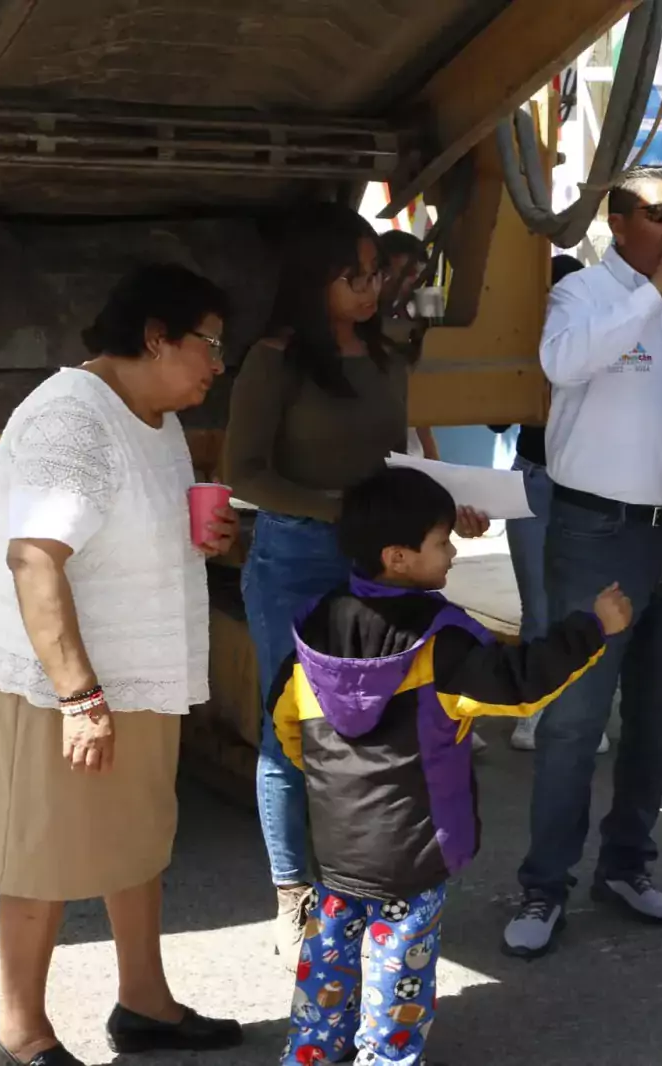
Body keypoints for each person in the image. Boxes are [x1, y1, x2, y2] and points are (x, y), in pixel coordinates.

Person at [0, 264, 243, 1066]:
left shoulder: (155, 413)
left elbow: (119, 530)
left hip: (138, 675)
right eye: (209, 345)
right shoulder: (71, 420)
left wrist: (201, 538)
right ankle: (19, 1034)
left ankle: (143, 1002)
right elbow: (35, 559)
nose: (219, 364)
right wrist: (81, 697)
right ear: (156, 337)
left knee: (136, 843)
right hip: (59, 683)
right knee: (35, 858)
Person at [271, 466, 629, 1066]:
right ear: (398, 557)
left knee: (328, 957)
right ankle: (386, 1057)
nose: (455, 551)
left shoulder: (311, 625)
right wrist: (591, 628)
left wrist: (331, 787)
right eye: (441, 541)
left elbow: (285, 726)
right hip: (413, 849)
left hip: (334, 845)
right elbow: (520, 687)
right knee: (399, 974)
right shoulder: (443, 642)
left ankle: (311, 1052)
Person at [226, 204, 488, 963]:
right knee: (292, 732)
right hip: (298, 555)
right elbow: (243, 473)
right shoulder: (274, 357)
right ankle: (293, 891)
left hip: (379, 562)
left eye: (376, 275)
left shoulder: (386, 353)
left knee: (381, 728)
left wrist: (438, 511)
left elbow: (391, 462)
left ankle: (364, 882)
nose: (372, 289)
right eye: (355, 277)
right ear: (315, 280)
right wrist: (342, 512)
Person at [501, 165, 662, 957]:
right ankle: (543, 885)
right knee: (574, 718)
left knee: (658, 715)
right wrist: (648, 296)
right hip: (599, 533)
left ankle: (627, 865)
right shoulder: (584, 296)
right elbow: (564, 366)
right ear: (620, 220)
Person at [502, 254, 611, 756]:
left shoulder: (597, 343)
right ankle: (533, 707)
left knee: (584, 604)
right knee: (539, 608)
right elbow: (494, 420)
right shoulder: (529, 343)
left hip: (586, 484)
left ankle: (580, 709)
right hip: (534, 478)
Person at [377, 229, 440, 462]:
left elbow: (421, 392)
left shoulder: (423, 309)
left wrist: (432, 455)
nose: (417, 284)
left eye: (420, 275)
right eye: (408, 274)